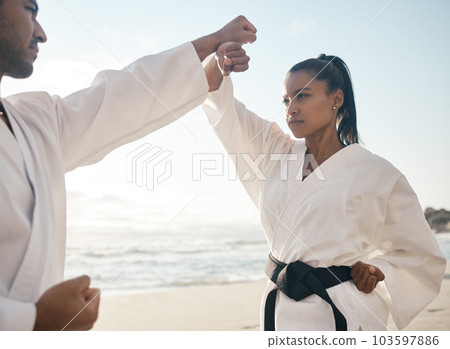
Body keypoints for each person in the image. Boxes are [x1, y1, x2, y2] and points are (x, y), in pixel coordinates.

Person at [0, 0, 258, 331]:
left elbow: (120, 98)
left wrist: (209, 52)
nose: (42, 33)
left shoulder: (31, 121)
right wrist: (34, 320)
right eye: (29, 10)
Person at [201, 42, 446, 330]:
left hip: (343, 312)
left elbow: (420, 253)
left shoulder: (378, 173)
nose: (291, 109)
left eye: (302, 96)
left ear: (336, 99)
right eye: (286, 100)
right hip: (279, 310)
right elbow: (218, 102)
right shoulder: (273, 150)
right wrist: (219, 61)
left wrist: (378, 270)